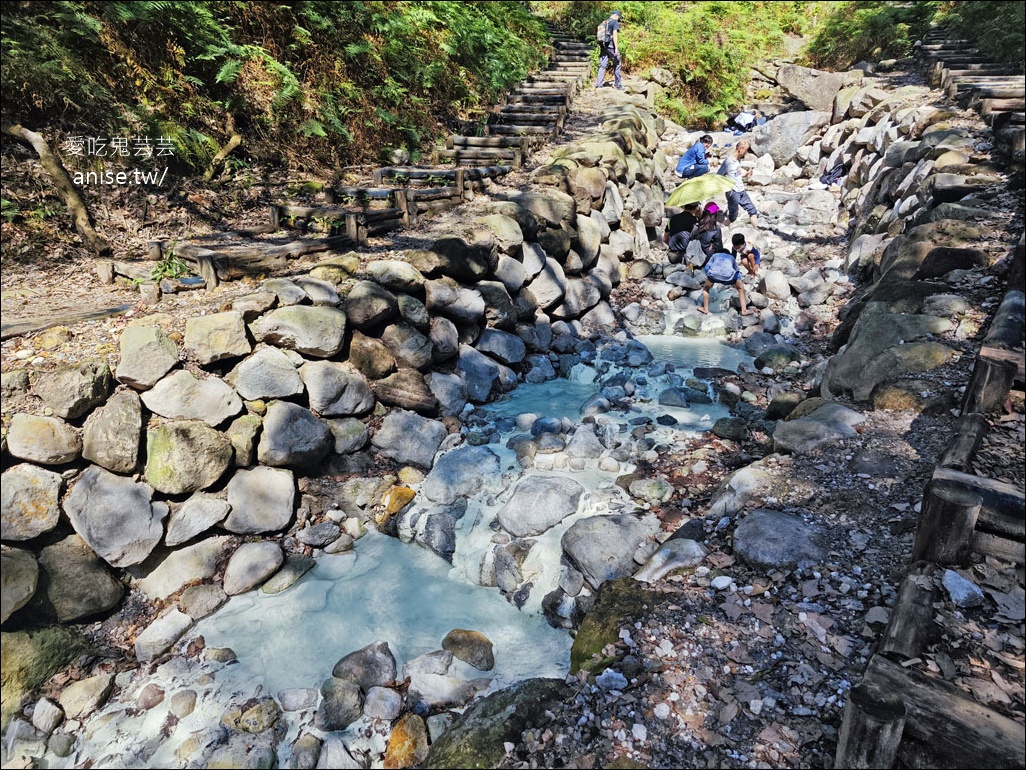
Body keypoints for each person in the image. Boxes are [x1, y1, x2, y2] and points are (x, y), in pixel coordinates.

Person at [717, 139, 759, 228]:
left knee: (752, 211)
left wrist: (746, 175)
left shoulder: (738, 160)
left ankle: (758, 231)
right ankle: (721, 229)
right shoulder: (728, 161)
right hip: (733, 192)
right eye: (746, 150)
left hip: (741, 190)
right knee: (733, 216)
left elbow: (736, 174)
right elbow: (718, 175)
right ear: (740, 148)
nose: (746, 153)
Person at [696, 249, 751, 316]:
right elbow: (736, 270)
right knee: (741, 289)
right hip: (728, 277)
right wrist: (738, 281)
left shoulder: (715, 255)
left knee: (706, 288)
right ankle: (744, 310)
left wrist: (710, 276)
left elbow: (707, 267)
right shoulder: (731, 257)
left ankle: (705, 309)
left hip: (714, 275)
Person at [596, 10, 623, 90]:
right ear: (616, 16)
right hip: (611, 46)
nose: (618, 19)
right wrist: (616, 48)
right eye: (618, 17)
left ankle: (599, 85)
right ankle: (618, 85)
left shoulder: (604, 22)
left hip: (603, 46)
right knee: (617, 63)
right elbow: (615, 35)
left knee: (602, 66)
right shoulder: (614, 22)